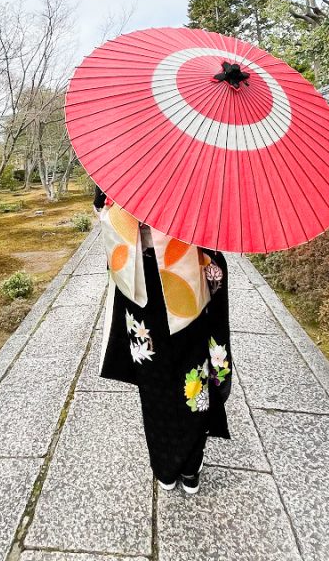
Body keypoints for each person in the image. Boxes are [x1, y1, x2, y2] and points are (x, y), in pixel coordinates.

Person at [93, 185, 232, 494]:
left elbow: (102, 210)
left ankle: (177, 467)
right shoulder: (192, 167)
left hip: (156, 285)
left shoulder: (120, 166)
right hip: (160, 286)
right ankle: (177, 467)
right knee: (177, 380)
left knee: (174, 379)